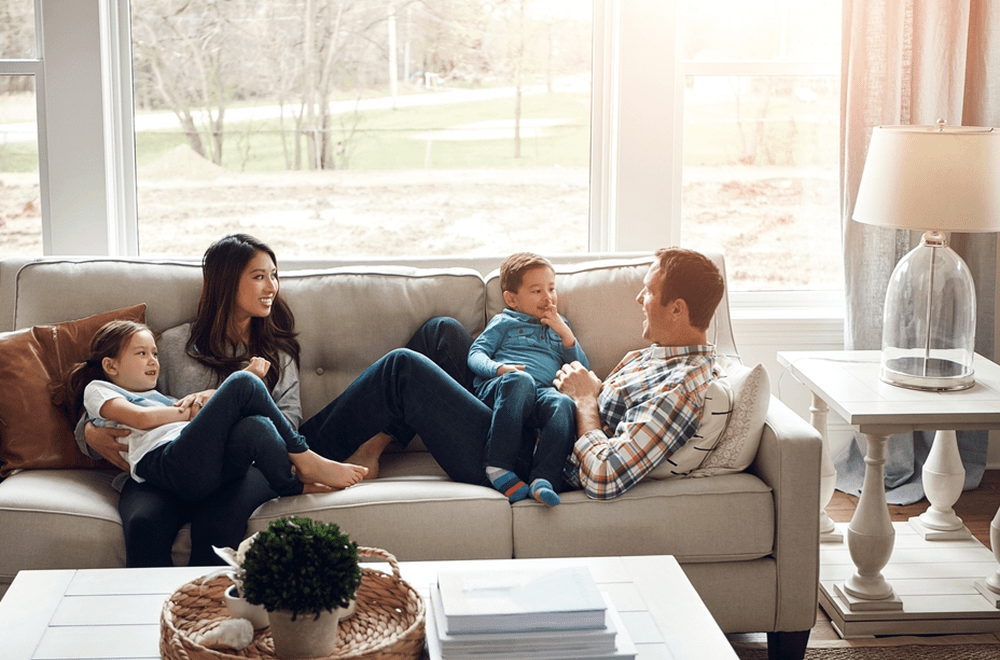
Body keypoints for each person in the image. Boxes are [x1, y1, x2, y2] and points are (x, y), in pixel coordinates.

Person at [299, 247, 726, 500]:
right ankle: (372, 448)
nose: (638, 298)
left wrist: (584, 402)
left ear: (677, 309)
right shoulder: (655, 357)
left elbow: (606, 475)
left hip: (530, 455)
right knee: (442, 332)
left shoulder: (682, 387)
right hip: (523, 415)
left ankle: (297, 454)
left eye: (649, 291)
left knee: (402, 368)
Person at [79, 234, 317, 567]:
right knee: (143, 523)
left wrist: (222, 417)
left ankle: (208, 616)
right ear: (226, 282)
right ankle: (151, 615)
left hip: (244, 466)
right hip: (174, 463)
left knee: (216, 527)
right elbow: (130, 396)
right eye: (260, 276)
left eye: (274, 276)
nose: (272, 288)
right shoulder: (174, 345)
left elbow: (287, 423)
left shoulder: (277, 353)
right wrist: (88, 434)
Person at [61, 320, 365, 502]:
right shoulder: (100, 390)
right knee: (244, 382)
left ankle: (294, 485)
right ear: (110, 365)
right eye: (142, 354)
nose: (153, 360)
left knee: (256, 425)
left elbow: (197, 407)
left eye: (154, 353)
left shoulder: (159, 396)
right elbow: (140, 419)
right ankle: (305, 457)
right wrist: (197, 410)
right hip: (164, 463)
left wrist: (218, 397)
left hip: (196, 468)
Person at [467, 252, 588, 506]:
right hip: (503, 388)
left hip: (542, 393)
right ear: (512, 299)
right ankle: (498, 465)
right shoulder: (505, 321)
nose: (548, 297)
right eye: (536, 291)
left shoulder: (559, 326)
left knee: (563, 403)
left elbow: (581, 371)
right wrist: (500, 369)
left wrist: (566, 336)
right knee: (521, 380)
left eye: (551, 288)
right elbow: (476, 354)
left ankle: (544, 478)